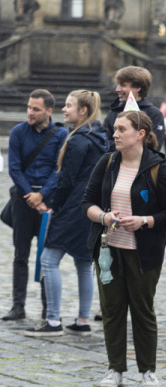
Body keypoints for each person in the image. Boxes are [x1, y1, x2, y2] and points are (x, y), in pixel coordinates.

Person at [82, 110, 166, 387]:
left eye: (121, 129)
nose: (114, 134)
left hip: (143, 253)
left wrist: (144, 221)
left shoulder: (157, 169)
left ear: (140, 134)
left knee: (142, 309)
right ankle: (115, 368)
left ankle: (147, 370)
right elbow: (87, 201)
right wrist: (103, 217)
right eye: (114, 129)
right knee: (111, 310)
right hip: (108, 250)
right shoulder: (108, 161)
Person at [24, 90, 107, 337]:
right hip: (91, 208)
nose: (63, 109)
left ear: (83, 110)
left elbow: (66, 180)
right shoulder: (98, 136)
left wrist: (54, 205)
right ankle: (82, 320)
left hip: (72, 207)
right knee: (83, 263)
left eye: (68, 105)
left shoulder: (78, 140)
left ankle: (52, 321)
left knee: (49, 260)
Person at [4, 89, 68, 321]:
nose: (30, 112)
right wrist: (30, 195)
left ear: (49, 111)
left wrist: (42, 196)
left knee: (46, 257)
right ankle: (18, 306)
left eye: (36, 109)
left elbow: (59, 169)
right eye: (29, 107)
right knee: (20, 254)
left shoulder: (62, 134)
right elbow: (14, 168)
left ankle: (46, 308)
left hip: (48, 202)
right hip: (23, 199)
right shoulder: (18, 132)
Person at [103, 66, 164, 152]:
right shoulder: (113, 112)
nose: (117, 89)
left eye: (123, 85)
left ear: (138, 88)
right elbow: (104, 144)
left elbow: (154, 147)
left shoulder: (154, 114)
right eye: (118, 85)